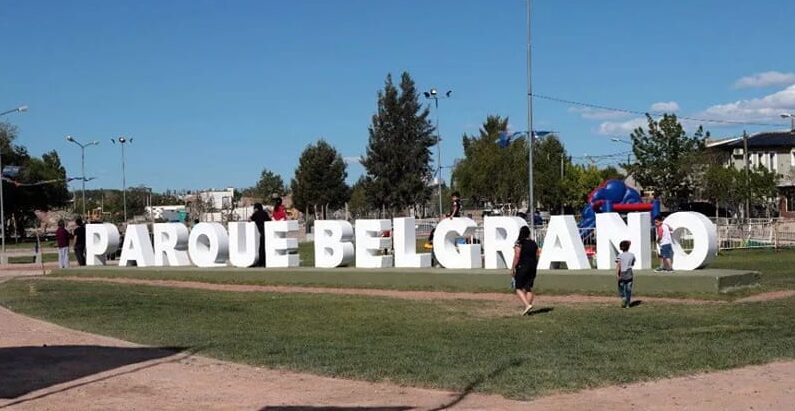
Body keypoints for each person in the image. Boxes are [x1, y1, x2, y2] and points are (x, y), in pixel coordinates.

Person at [510, 225, 539, 315]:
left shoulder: (519, 243)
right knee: (528, 288)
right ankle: (528, 308)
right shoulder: (533, 243)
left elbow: (517, 255)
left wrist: (513, 267)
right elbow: (537, 255)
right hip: (532, 267)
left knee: (518, 287)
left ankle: (527, 305)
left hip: (523, 266)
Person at [615, 240, 636, 308]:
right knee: (628, 288)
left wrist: (617, 274)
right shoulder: (632, 255)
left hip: (622, 273)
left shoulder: (620, 255)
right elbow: (633, 263)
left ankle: (623, 297)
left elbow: (618, 265)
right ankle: (628, 303)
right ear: (628, 247)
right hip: (629, 272)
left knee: (621, 286)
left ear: (621, 248)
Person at [250, 203, 271, 267]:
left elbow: (250, 219)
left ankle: (261, 262)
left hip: (261, 233)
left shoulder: (255, 214)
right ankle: (265, 262)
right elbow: (269, 220)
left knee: (261, 248)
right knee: (265, 248)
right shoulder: (265, 213)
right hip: (267, 232)